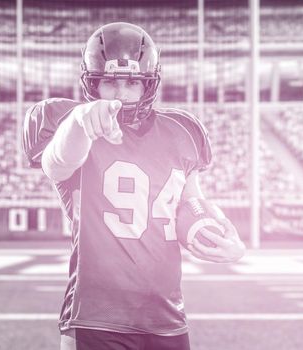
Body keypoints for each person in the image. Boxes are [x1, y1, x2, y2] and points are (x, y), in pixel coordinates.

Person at [22, 22, 246, 350]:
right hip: (95, 317)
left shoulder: (182, 130)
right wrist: (80, 122)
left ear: (149, 84)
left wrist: (225, 234)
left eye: (132, 82)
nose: (121, 93)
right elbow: (57, 163)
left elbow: (191, 200)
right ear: (93, 83)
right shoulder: (69, 123)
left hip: (167, 316)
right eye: (110, 82)